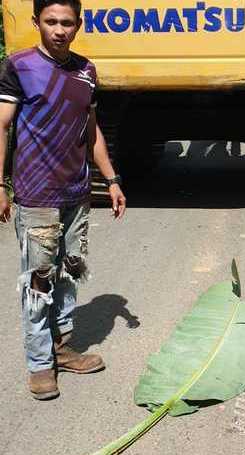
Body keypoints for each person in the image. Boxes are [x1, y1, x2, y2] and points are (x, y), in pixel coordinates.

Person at [0, 0, 126, 400]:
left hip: (77, 193)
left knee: (69, 272)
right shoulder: (18, 67)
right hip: (36, 194)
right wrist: (0, 185)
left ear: (78, 26)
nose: (59, 30)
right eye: (51, 22)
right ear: (37, 22)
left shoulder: (86, 71)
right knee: (39, 281)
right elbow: (1, 127)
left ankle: (62, 347)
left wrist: (113, 180)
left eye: (67, 23)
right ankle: (40, 365)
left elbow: (92, 131)